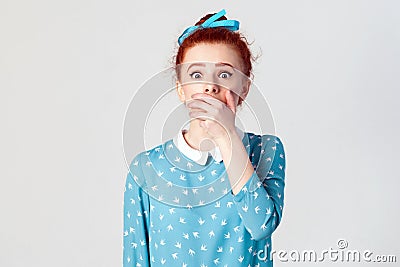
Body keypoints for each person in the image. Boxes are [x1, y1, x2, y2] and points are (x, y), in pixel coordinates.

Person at [123, 9, 286, 267]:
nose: (210, 86)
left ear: (244, 87)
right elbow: (135, 260)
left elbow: (261, 225)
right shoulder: (146, 169)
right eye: (196, 75)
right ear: (180, 88)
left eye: (224, 74)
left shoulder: (266, 150)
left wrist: (227, 136)